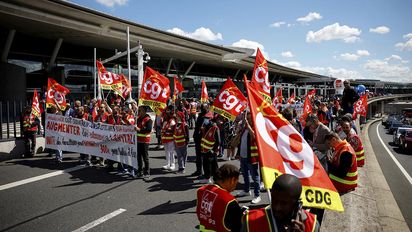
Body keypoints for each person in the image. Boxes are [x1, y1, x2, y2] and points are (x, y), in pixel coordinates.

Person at [242, 174, 319, 232]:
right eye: (274, 200)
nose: (277, 207)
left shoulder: (312, 225)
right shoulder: (252, 221)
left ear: (297, 203)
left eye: (284, 203)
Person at [196, 164, 243, 232]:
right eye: (236, 182)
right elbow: (237, 227)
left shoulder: (201, 190)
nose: (235, 186)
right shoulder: (229, 201)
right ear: (232, 180)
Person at [236, 111, 261, 204]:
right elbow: (239, 139)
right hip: (243, 155)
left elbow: (254, 135)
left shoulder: (255, 127)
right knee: (245, 174)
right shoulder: (244, 128)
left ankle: (257, 195)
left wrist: (248, 125)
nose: (248, 120)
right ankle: (246, 190)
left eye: (250, 119)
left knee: (255, 177)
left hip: (252, 157)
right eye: (247, 118)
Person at [191, 103, 213, 177]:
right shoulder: (200, 115)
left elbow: (208, 128)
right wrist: (195, 135)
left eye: (204, 107)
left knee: (205, 157)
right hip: (198, 137)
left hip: (204, 139)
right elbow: (197, 126)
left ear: (207, 108)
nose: (202, 109)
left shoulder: (208, 116)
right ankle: (199, 170)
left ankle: (205, 173)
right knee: (198, 156)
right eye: (201, 107)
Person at [199, 114, 220, 184]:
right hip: (204, 149)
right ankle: (207, 178)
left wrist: (214, 150)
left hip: (211, 151)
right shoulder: (206, 126)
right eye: (205, 118)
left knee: (214, 166)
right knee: (206, 164)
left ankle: (216, 179)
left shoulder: (215, 128)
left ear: (210, 119)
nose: (205, 120)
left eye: (207, 118)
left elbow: (218, 141)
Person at [134, 105, 153, 180]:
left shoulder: (148, 120)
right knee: (138, 157)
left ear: (144, 111)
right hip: (138, 140)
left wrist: (139, 129)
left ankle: (147, 172)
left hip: (145, 141)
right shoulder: (138, 119)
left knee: (145, 157)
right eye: (139, 110)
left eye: (140, 110)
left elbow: (148, 130)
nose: (139, 112)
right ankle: (140, 171)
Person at [161, 105, 177, 171]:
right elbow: (163, 129)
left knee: (171, 152)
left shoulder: (172, 121)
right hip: (165, 139)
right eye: (165, 114)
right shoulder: (164, 122)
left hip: (170, 139)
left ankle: (172, 164)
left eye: (166, 114)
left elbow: (174, 130)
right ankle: (167, 164)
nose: (165, 116)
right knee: (166, 152)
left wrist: (169, 129)